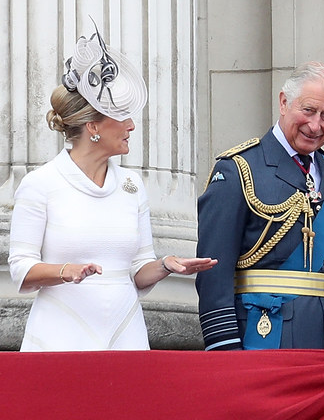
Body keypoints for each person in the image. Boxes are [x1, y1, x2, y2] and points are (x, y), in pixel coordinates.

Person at [8, 30, 215, 351]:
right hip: (59, 339)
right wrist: (67, 271)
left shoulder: (132, 188)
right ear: (93, 126)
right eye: (122, 116)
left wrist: (165, 265)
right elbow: (21, 269)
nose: (131, 125)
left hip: (125, 336)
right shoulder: (41, 184)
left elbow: (138, 272)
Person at [195, 61, 324, 350]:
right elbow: (213, 274)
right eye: (307, 110)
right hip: (265, 334)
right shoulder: (239, 169)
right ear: (283, 102)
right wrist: (224, 349)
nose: (315, 125)